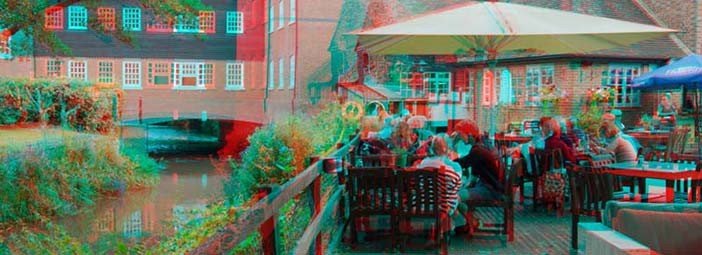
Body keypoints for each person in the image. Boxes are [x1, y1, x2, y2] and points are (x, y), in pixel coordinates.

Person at [452, 120, 502, 235]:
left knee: (454, 196)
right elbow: (475, 173)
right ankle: (468, 223)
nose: (459, 137)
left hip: (489, 189)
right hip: (491, 186)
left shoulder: (477, 151)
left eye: (461, 134)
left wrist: (453, 147)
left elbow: (460, 163)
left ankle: (470, 222)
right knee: (457, 194)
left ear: (469, 134)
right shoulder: (480, 148)